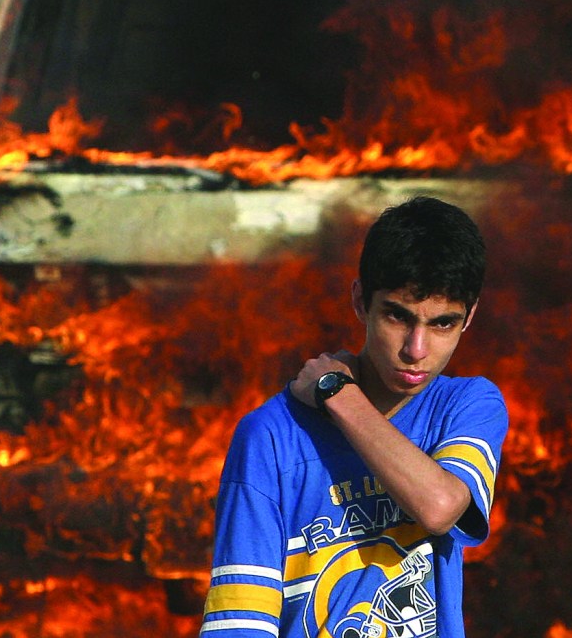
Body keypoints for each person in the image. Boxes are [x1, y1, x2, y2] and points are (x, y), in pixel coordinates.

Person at [199, 195, 508, 638]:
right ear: (362, 301)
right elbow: (240, 625)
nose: (416, 350)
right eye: (397, 316)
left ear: (469, 317)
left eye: (442, 323)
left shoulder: (466, 406)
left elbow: (440, 507)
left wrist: (338, 395)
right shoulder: (270, 436)